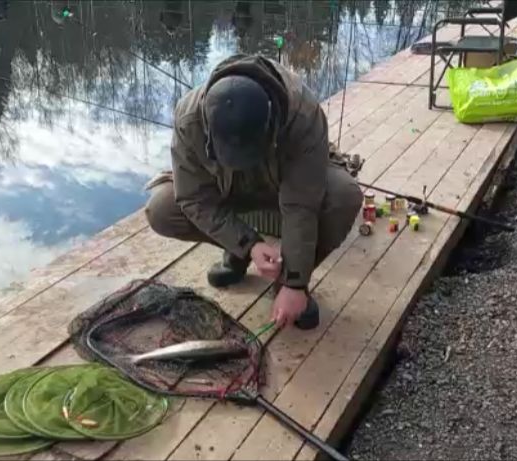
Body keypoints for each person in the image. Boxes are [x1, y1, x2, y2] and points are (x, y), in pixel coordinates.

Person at [145, 54, 362, 330]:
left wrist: (295, 282)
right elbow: (193, 197)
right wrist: (249, 244)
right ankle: (237, 251)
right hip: (229, 188)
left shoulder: (302, 114)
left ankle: (288, 282)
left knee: (344, 196)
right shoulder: (189, 119)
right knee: (162, 209)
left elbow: (301, 204)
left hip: (285, 186)